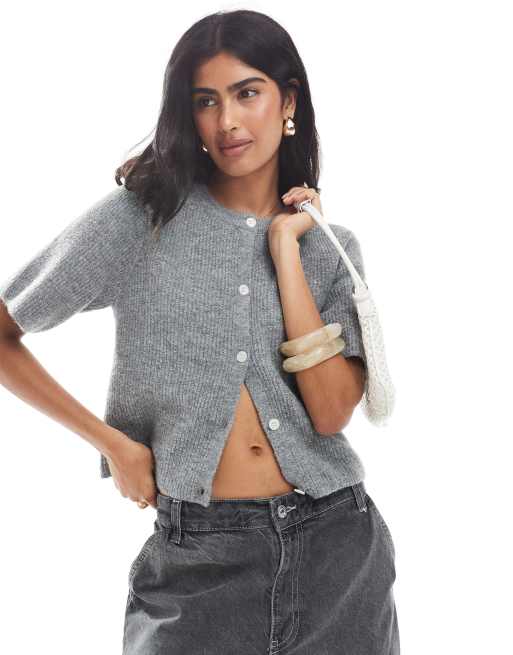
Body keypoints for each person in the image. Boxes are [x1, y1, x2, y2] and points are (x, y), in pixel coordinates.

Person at [0, 9, 400, 654]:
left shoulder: (329, 248)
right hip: (197, 560)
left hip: (338, 549)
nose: (227, 121)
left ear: (287, 100)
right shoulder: (142, 219)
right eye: (206, 101)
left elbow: (331, 414)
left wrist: (285, 251)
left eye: (247, 93)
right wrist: (113, 444)